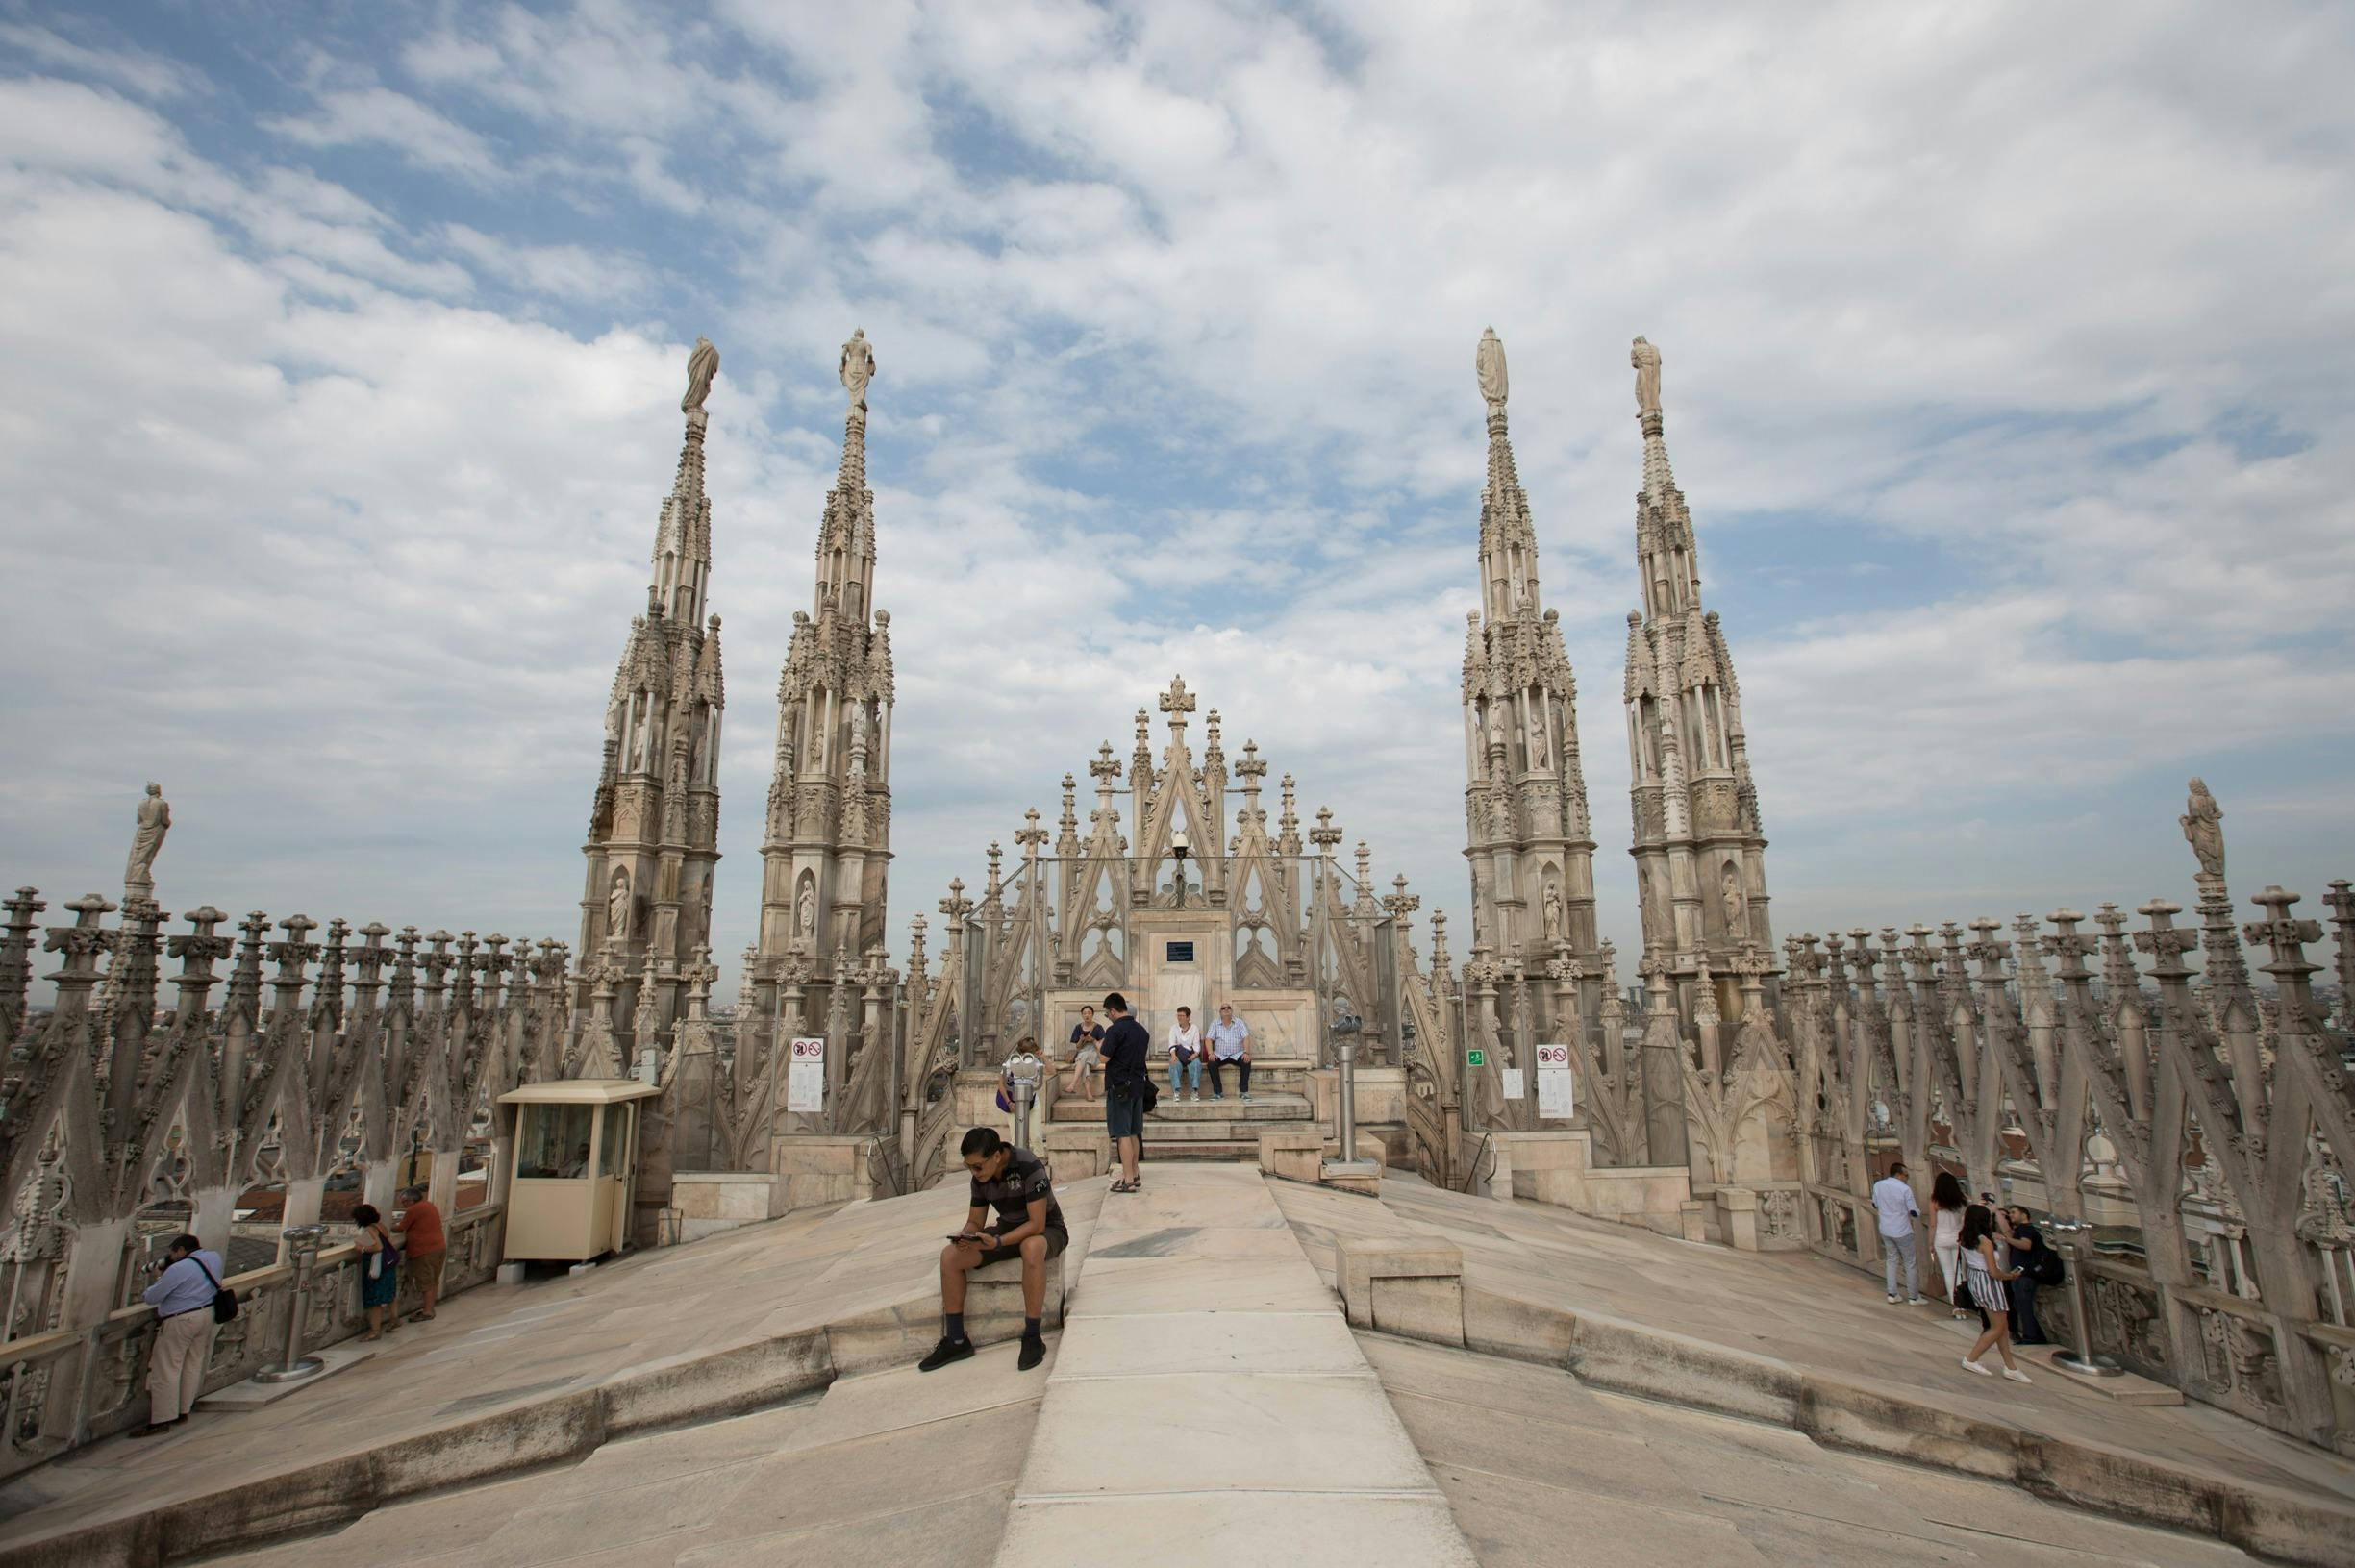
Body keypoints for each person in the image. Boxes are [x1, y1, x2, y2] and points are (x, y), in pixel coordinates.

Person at [920, 1128, 1068, 1374]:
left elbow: (1037, 1224)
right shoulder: (979, 1178)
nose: (974, 1172)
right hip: (1007, 1230)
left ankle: (1032, 1336)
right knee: (950, 1256)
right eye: (969, 1167)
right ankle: (956, 1340)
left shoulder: (1028, 1166)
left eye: (977, 1166)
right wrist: (966, 1236)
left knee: (1031, 1247)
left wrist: (999, 1243)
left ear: (996, 1156)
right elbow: (975, 1221)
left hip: (1047, 1230)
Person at [130, 1232, 226, 1438]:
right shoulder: (213, 1257)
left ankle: (162, 1419)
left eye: (173, 1253)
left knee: (166, 1368)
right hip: (207, 1314)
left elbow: (152, 1297)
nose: (170, 1257)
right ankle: (183, 1411)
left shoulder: (179, 1268)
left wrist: (159, 1277)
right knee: (192, 1364)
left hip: (181, 1320)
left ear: (181, 1250)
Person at [1958, 1204, 2032, 1382]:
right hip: (1988, 1282)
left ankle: (2010, 1366)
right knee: (1998, 1327)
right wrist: (2010, 1276)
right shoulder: (1985, 1242)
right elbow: (1993, 1272)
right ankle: (1971, 1358)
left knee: (2002, 1326)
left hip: (1977, 1280)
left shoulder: (1965, 1237)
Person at [1100, 991, 1151, 1192]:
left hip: (1120, 1087)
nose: (1108, 1017)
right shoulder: (1142, 1030)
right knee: (1134, 1132)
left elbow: (1104, 1058)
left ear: (1113, 1011)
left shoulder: (1115, 1031)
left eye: (1107, 1014)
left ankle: (1128, 1179)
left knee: (1122, 1134)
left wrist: (1098, 1045)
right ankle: (1135, 1173)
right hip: (1138, 1086)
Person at [1870, 1161, 1926, 1305]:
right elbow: (1913, 1211)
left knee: (1891, 1260)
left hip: (1886, 1229)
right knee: (1910, 1263)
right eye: (1906, 1175)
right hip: (1902, 1230)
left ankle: (1892, 1294)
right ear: (1899, 1174)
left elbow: (1875, 1204)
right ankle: (1913, 1296)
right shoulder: (1905, 1189)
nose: (1907, 1178)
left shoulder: (1878, 1185)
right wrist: (1918, 1213)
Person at [1999, 1204, 2052, 1345]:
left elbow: (2026, 1245)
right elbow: (2008, 1231)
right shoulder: (2020, 1230)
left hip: (2026, 1276)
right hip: (2020, 1275)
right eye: (2009, 1213)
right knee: (2020, 1305)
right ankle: (2036, 1335)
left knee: (2024, 1305)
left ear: (2024, 1215)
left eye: (2014, 1213)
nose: (2011, 1215)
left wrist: (2005, 1239)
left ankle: (2031, 1337)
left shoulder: (2026, 1229)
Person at [394, 1186, 446, 1324]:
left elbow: (400, 1228)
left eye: (404, 1202)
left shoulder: (414, 1210)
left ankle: (428, 1311)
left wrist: (384, 1226)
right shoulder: (428, 1205)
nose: (403, 1205)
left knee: (425, 1281)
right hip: (438, 1246)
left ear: (411, 1200)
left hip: (424, 1250)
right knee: (433, 1279)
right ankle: (430, 1308)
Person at [352, 1204, 401, 1340]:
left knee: (375, 1299)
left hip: (376, 1266)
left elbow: (377, 1246)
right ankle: (394, 1319)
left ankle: (375, 1331)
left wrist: (360, 1248)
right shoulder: (380, 1226)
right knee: (390, 1293)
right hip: (388, 1264)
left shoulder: (369, 1229)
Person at [1930, 1171, 1970, 1320]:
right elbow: (1965, 1222)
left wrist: (1930, 1243)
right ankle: (1963, 1306)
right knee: (1960, 1272)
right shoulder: (1963, 1200)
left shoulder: (1935, 1201)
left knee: (1948, 1272)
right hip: (1958, 1238)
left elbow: (1933, 1224)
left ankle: (1955, 1305)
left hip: (1941, 1239)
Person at [1203, 1002, 1252, 1101]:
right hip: (1220, 1055)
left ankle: (1244, 1092)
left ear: (1231, 1011)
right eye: (1223, 1008)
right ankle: (1218, 1093)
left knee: (1246, 1061)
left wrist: (1246, 1052)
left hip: (1236, 1054)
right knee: (1211, 1063)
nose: (1226, 1009)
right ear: (1220, 1012)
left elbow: (1246, 1037)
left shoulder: (1239, 1022)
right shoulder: (1215, 1023)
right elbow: (1208, 1039)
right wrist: (1210, 1053)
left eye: (1228, 1008)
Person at [1062, 1006, 1104, 1100]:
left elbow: (1101, 1046)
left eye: (1089, 1013)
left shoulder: (1098, 1027)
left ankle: (1072, 1084)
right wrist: (1081, 1040)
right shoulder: (1078, 1027)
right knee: (1085, 1064)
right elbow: (1077, 1047)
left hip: (1095, 1053)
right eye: (1084, 1013)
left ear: (1093, 1014)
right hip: (1082, 1052)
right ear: (1082, 1015)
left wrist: (1093, 1040)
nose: (1086, 1015)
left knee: (1083, 1057)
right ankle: (1088, 1094)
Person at [1165, 1005, 1203, 1102]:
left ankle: (1194, 1092)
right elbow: (1172, 1043)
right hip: (1178, 1054)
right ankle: (1176, 1092)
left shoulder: (1194, 1028)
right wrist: (1173, 1055)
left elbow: (1197, 1046)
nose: (1179, 1018)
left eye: (1182, 1016)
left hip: (1191, 1054)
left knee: (1197, 1064)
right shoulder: (1174, 1028)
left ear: (1188, 1017)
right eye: (1178, 1015)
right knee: (1173, 1064)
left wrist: (1194, 1056)